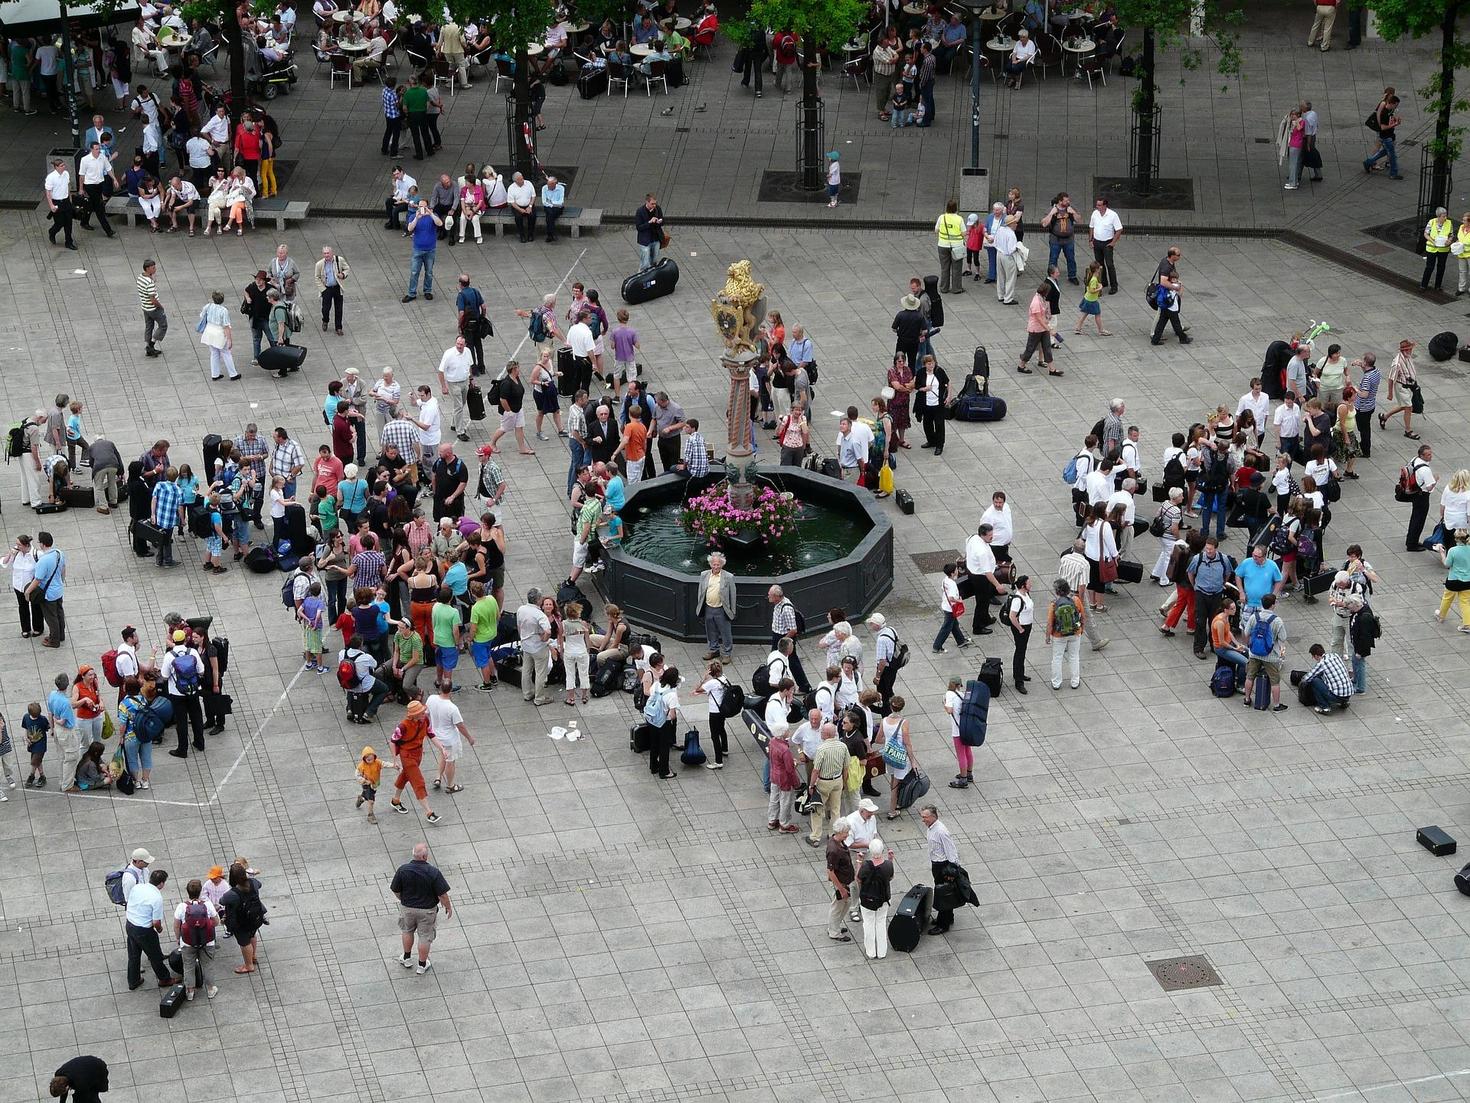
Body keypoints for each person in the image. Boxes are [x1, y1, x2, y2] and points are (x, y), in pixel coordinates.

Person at [391, 842, 452, 974]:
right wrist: (448, 906)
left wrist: (403, 899)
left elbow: (395, 889)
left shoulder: (403, 870)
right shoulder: (433, 872)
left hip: (407, 908)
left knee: (407, 931)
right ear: (425, 857)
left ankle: (406, 958)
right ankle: (422, 965)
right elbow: (442, 894)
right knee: (424, 937)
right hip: (427, 911)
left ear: (413, 855)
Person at [124, 867, 180, 990]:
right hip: (144, 930)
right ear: (161, 883)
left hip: (130, 924)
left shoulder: (137, 887)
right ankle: (164, 979)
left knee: (133, 955)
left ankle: (133, 981)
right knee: (155, 956)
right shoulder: (156, 897)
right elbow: (156, 922)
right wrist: (159, 929)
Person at [173, 877, 220, 1001]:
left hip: (187, 943)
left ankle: (190, 992)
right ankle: (210, 990)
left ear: (187, 892)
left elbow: (177, 925)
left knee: (188, 966)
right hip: (207, 942)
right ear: (200, 892)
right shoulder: (208, 905)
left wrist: (179, 939)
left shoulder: (182, 907)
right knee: (208, 965)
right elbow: (216, 922)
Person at [1241, 593, 1288, 711]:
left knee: (1250, 676)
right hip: (1271, 656)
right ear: (1273, 605)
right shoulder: (1277, 621)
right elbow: (1283, 639)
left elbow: (1246, 633)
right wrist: (1281, 654)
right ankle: (1277, 705)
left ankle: (1247, 700)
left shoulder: (1254, 617)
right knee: (1275, 681)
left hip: (1254, 653)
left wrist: (1249, 646)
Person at [219, 862, 266, 974]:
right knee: (252, 935)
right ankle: (253, 956)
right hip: (255, 918)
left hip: (241, 922)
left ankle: (249, 965)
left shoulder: (232, 894)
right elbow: (259, 885)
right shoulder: (253, 883)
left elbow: (221, 901)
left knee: (244, 943)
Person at [919, 805, 960, 933]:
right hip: (936, 865)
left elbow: (951, 850)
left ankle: (944, 924)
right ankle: (948, 917)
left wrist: (952, 868)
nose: (923, 820)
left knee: (944, 894)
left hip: (943, 866)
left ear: (933, 817)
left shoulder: (941, 831)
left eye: (925, 817)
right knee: (944, 892)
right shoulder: (931, 828)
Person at [855, 838, 893, 960]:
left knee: (868, 923)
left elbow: (858, 879)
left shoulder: (866, 866)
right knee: (881, 923)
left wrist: (859, 862)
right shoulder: (887, 865)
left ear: (870, 851)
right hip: (883, 898)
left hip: (867, 899)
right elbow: (890, 877)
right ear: (882, 850)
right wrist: (890, 859)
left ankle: (871, 952)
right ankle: (882, 952)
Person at [1046, 578, 1085, 690]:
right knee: (1074, 657)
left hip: (1059, 635)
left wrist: (1048, 636)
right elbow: (1083, 616)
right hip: (1075, 632)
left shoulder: (1054, 605)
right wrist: (1081, 628)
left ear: (1057, 591)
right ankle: (1074, 681)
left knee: (1057, 658)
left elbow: (1050, 623)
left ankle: (1056, 682)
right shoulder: (1076, 600)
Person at [696, 553, 735, 663]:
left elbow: (733, 595)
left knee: (725, 632)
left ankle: (727, 653)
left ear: (722, 564)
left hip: (722, 609)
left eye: (718, 564)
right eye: (714, 564)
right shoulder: (704, 575)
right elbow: (701, 591)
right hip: (708, 607)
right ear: (710, 564)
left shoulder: (728, 577)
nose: (716, 567)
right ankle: (714, 650)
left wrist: (732, 611)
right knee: (710, 631)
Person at [403, 199, 441, 302]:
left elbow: (440, 223)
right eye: (420, 207)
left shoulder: (433, 216)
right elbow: (410, 229)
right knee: (414, 272)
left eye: (424, 207)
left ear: (428, 207)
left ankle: (427, 291)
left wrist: (431, 214)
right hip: (418, 249)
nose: (422, 209)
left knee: (429, 272)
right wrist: (416, 218)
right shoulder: (413, 216)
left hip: (430, 249)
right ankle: (411, 293)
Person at [1433, 528, 1470, 632]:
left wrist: (1442, 553)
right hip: (1468, 581)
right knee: (1465, 602)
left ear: (1456, 539)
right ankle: (1467, 625)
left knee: (1447, 598)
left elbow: (1447, 564)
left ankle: (1441, 616)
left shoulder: (1453, 550)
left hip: (1454, 580)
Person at [823, 820, 855, 942]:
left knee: (844, 904)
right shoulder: (834, 850)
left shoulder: (838, 842)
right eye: (846, 832)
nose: (847, 834)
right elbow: (831, 872)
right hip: (840, 883)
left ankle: (834, 926)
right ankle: (834, 932)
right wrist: (841, 889)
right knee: (837, 906)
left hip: (844, 881)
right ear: (839, 832)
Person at [1300, 643, 1353, 714]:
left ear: (1316, 656)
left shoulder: (1322, 663)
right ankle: (1344, 702)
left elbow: (1307, 679)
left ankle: (1325, 707)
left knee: (1314, 681)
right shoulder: (1335, 655)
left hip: (1337, 696)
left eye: (1313, 657)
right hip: (1348, 693)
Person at [1087, 196, 1122, 294]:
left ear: (1105, 206)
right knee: (1099, 264)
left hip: (1107, 243)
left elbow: (1119, 229)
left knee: (1109, 264)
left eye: (1099, 205)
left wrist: (1113, 242)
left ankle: (1114, 285)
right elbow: (1091, 227)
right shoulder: (1095, 214)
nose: (1097, 207)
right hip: (1097, 242)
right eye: (1097, 204)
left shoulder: (1113, 215)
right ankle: (1104, 281)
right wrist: (1090, 240)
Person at [44, 155, 76, 250]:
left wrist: (70, 199)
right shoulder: (51, 177)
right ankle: (52, 232)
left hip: (66, 201)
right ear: (56, 167)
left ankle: (69, 242)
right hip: (57, 202)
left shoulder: (66, 174)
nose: (64, 167)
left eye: (63, 165)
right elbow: (48, 193)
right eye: (61, 166)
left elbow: (68, 187)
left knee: (69, 223)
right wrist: (51, 205)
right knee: (60, 222)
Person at [634, 193, 664, 269]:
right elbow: (639, 227)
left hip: (655, 239)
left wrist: (659, 221)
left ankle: (652, 274)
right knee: (645, 263)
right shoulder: (640, 211)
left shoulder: (658, 209)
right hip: (645, 241)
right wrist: (649, 222)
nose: (654, 205)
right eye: (652, 204)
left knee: (654, 261)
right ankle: (642, 276)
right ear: (647, 202)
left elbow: (662, 221)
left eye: (655, 203)